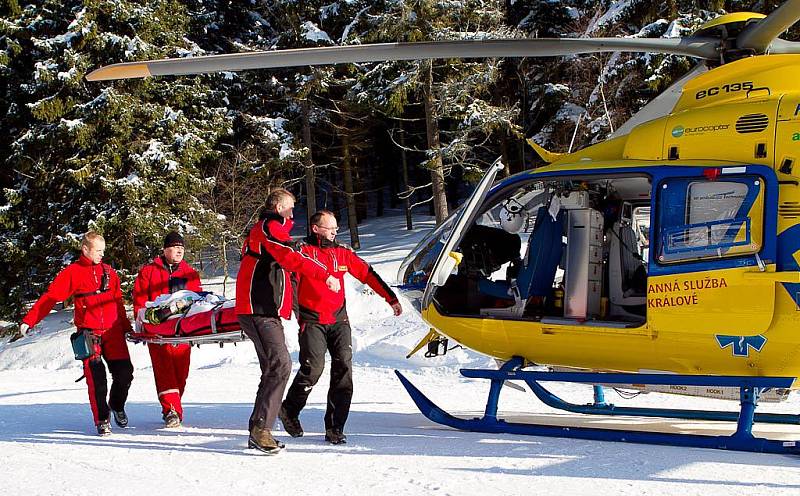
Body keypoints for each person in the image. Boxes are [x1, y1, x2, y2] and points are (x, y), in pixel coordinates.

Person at [280, 210, 402, 445]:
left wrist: (391, 298)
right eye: (330, 227)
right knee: (313, 368)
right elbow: (285, 279)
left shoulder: (343, 252)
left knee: (343, 368)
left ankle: (335, 427)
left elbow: (367, 274)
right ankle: (289, 410)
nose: (335, 231)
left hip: (339, 320)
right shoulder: (301, 251)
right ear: (315, 228)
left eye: (336, 227)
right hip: (312, 319)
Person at [236, 188, 342, 454]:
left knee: (273, 368)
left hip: (265, 310)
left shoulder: (272, 230)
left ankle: (259, 429)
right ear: (279, 206)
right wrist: (323, 274)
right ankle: (261, 430)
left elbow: (285, 261)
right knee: (280, 364)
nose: (293, 214)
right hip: (258, 308)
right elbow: (289, 256)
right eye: (290, 208)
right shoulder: (270, 225)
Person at [18, 232, 134, 436]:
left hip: (113, 332)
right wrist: (30, 319)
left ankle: (116, 405)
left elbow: (118, 304)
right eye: (98, 251)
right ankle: (102, 419)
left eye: (103, 251)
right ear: (85, 250)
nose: (101, 254)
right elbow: (50, 297)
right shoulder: (73, 272)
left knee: (125, 373)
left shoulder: (110, 272)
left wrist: (127, 329)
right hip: (90, 333)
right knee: (96, 378)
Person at [133, 231, 202, 428]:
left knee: (181, 372)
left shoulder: (190, 273)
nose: (180, 250)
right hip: (158, 330)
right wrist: (142, 324)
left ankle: (174, 405)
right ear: (165, 249)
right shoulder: (148, 272)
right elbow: (139, 301)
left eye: (182, 248)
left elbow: (198, 300)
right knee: (164, 370)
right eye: (175, 247)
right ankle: (171, 410)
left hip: (182, 330)